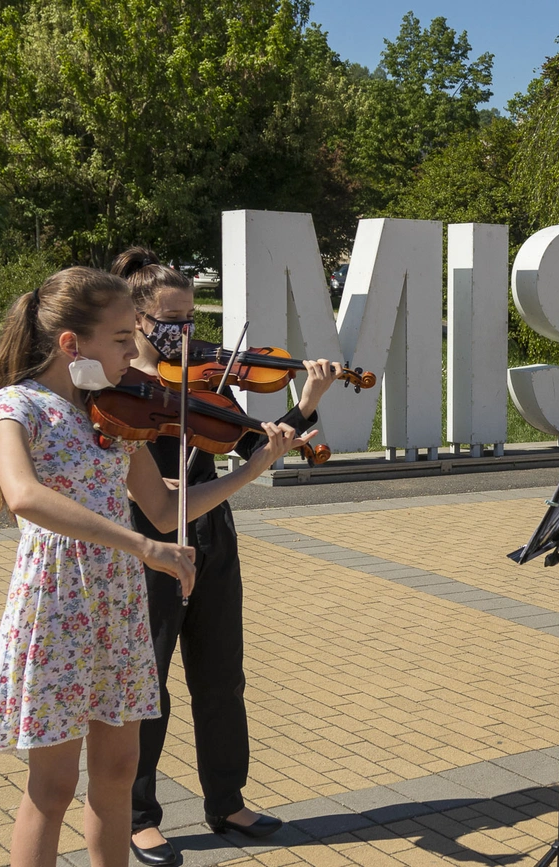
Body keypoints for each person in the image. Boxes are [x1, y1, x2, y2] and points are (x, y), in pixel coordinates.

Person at [0, 268, 307, 867]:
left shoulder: (108, 412)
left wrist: (251, 470)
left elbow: (166, 509)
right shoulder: (18, 405)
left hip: (117, 604)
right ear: (72, 344)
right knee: (53, 786)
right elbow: (24, 495)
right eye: (123, 338)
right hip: (59, 603)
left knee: (119, 771)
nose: (135, 352)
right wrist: (145, 548)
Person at [110, 248, 344, 866]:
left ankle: (227, 801)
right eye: (173, 320)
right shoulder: (117, 384)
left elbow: (248, 444)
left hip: (212, 533)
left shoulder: (203, 378)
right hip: (149, 540)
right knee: (148, 683)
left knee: (221, 677)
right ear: (137, 318)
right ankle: (138, 816)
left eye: (192, 319)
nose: (188, 332)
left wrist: (307, 401)